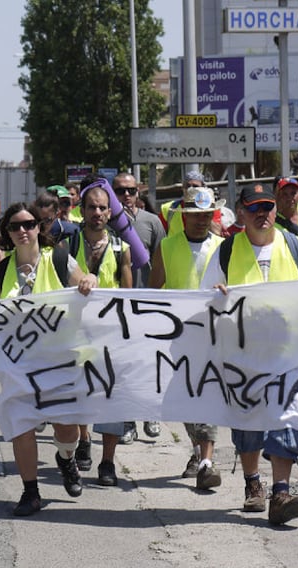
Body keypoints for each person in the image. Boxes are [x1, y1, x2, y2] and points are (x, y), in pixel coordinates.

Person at [200, 182, 298, 525]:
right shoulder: (226, 251)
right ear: (242, 213)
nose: (262, 214)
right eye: (254, 208)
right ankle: (253, 484)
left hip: (288, 354)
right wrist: (217, 294)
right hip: (244, 355)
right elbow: (202, 297)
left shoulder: (294, 246)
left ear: (275, 211)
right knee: (248, 422)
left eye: (267, 207)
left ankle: (281, 491)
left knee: (290, 418)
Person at [0, 202, 97, 516]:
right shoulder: (3, 270)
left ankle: (66, 458)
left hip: (59, 362)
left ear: (38, 227)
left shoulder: (58, 258)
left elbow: (87, 280)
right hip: (19, 365)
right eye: (15, 226)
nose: (23, 231)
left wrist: (89, 281)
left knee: (67, 430)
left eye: (29, 224)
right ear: (6, 232)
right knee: (21, 425)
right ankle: (30, 491)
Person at [149, 185, 226, 490]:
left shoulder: (224, 246)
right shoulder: (167, 247)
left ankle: (207, 462)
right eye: (194, 214)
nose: (201, 219)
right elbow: (153, 292)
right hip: (176, 336)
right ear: (183, 216)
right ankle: (198, 451)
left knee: (206, 393)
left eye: (206, 214)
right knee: (183, 397)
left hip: (211, 334)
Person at [75, 181, 133, 487]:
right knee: (81, 392)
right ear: (82, 211)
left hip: (110, 333)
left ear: (109, 212)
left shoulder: (121, 247)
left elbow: (128, 293)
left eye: (102, 207)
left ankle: (107, 462)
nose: (96, 212)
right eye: (91, 207)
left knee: (113, 396)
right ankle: (83, 439)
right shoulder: (68, 245)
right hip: (77, 332)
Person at [113, 171, 166, 443]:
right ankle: (127, 420)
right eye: (120, 191)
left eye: (131, 191)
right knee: (124, 366)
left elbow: (163, 261)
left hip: (148, 304)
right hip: (115, 309)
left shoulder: (152, 222)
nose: (126, 196)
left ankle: (151, 412)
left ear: (138, 193)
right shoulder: (106, 222)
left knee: (149, 364)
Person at [159, 171, 222, 237]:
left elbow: (216, 233)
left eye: (195, 186)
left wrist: (205, 210)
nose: (190, 189)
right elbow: (159, 236)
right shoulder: (168, 208)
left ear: (203, 188)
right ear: (182, 188)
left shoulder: (212, 207)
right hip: (176, 246)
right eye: (187, 186)